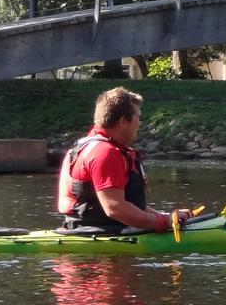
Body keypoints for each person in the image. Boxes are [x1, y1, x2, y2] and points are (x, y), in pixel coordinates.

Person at [56, 87, 191, 232]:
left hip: (91, 228)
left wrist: (168, 217)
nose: (140, 123)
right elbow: (115, 208)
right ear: (123, 121)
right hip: (100, 234)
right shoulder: (105, 153)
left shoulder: (82, 149)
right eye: (138, 117)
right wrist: (164, 221)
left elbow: (132, 205)